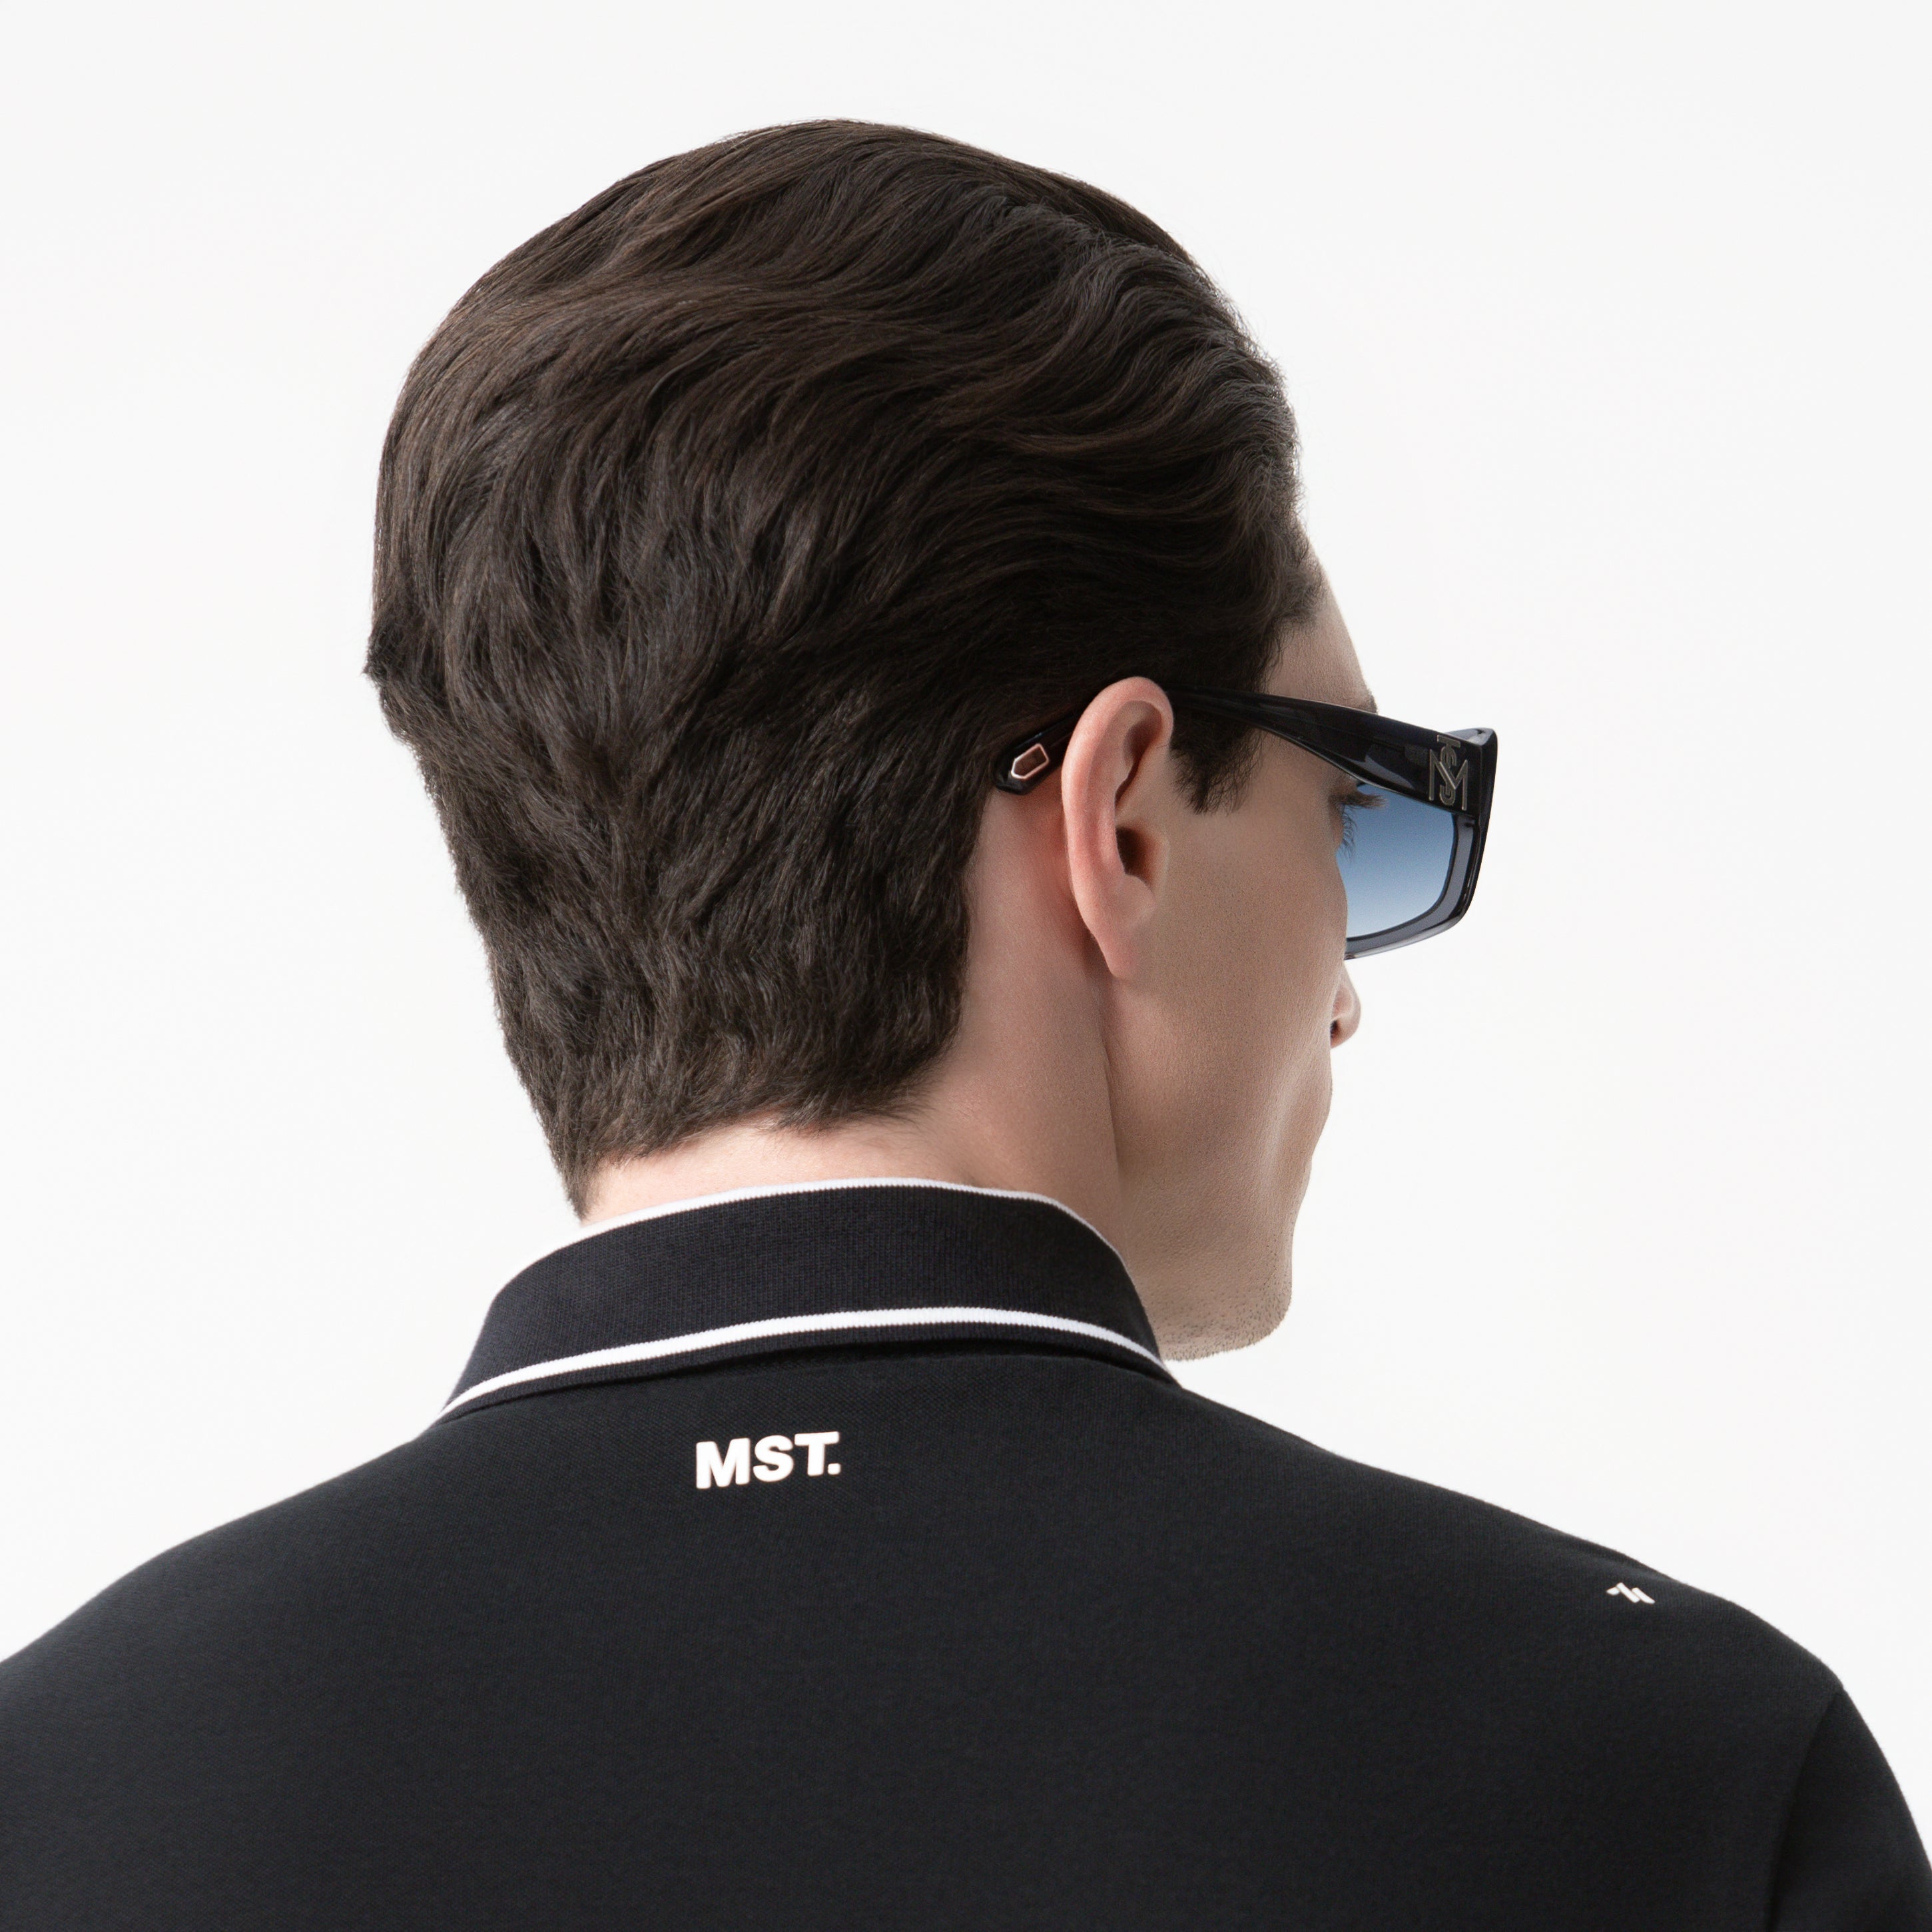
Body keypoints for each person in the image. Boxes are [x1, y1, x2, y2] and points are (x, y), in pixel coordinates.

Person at [0, 119, 1923, 1930]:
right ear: (1124, 820)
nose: (1345, 990)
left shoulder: (58, 1793)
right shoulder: (1661, 1776)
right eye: (1353, 812)